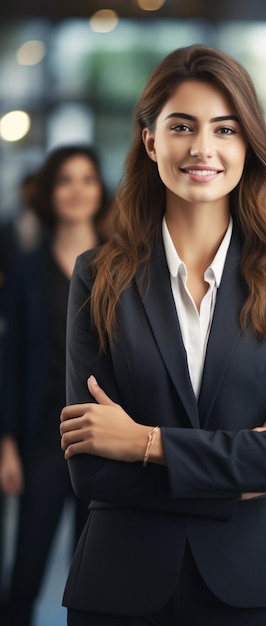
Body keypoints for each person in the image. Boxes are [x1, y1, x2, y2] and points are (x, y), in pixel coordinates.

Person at [59, 44, 266, 626]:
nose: (203, 148)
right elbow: (91, 469)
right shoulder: (97, 275)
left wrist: (143, 443)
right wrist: (244, 472)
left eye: (225, 129)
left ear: (247, 144)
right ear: (151, 139)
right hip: (120, 589)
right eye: (182, 126)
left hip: (254, 589)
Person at [0, 145, 110, 626]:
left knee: (96, 579)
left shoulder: (120, 265)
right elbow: (9, 360)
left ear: (99, 190)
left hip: (105, 436)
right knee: (26, 568)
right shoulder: (25, 268)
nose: (77, 189)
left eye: (87, 178)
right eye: (66, 179)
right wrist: (6, 444)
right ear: (50, 191)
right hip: (42, 434)